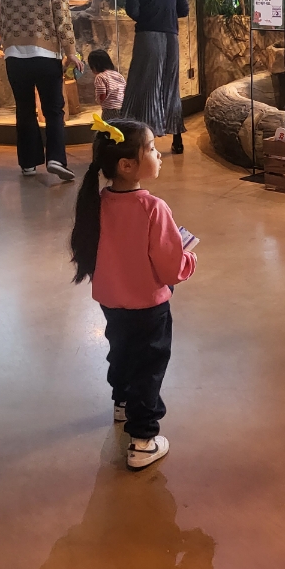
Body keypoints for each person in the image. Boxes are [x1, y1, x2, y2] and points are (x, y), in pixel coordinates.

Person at [71, 116, 197, 471]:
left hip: (111, 301)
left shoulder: (97, 203)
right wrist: (189, 259)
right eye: (152, 149)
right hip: (148, 306)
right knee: (149, 367)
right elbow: (171, 269)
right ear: (127, 165)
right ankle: (143, 441)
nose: (158, 155)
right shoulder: (153, 209)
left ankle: (122, 401)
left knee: (122, 351)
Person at [0, 0, 83, 182]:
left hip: (15, 56)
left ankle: (28, 163)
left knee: (24, 109)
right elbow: (62, 17)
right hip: (45, 55)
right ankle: (56, 159)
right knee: (53, 110)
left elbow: (1, 19)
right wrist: (71, 51)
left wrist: (9, 46)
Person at [121, 0, 189, 154]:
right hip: (171, 38)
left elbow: (133, 11)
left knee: (144, 87)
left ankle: (143, 143)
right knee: (170, 86)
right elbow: (184, 10)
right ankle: (177, 139)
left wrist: (148, 14)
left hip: (148, 38)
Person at [87, 48, 126, 122]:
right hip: (122, 107)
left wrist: (99, 101)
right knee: (119, 126)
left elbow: (102, 93)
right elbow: (125, 89)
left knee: (107, 126)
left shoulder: (100, 77)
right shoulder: (118, 75)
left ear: (94, 66)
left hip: (109, 109)